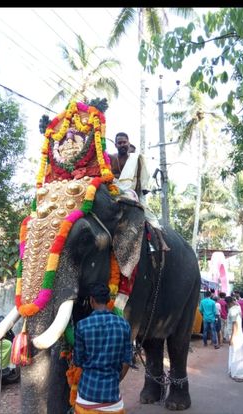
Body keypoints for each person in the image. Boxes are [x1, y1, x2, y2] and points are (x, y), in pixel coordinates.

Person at [73, 283, 132, 414]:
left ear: (91, 300)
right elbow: (127, 361)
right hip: (112, 399)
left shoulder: (82, 326)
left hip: (86, 398)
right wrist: (116, 378)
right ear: (109, 300)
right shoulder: (124, 325)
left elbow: (77, 361)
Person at [109, 132, 169, 252]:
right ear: (115, 145)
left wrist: (142, 189)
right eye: (119, 143)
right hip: (114, 193)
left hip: (133, 193)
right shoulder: (111, 158)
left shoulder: (136, 158)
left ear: (128, 143)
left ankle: (162, 242)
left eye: (124, 142)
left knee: (148, 214)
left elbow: (144, 176)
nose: (122, 145)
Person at [225, 296, 243, 382]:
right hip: (238, 334)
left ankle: (238, 374)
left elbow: (235, 325)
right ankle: (233, 371)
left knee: (235, 354)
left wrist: (232, 338)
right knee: (234, 353)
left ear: (228, 303)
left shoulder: (233, 310)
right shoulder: (237, 307)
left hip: (235, 334)